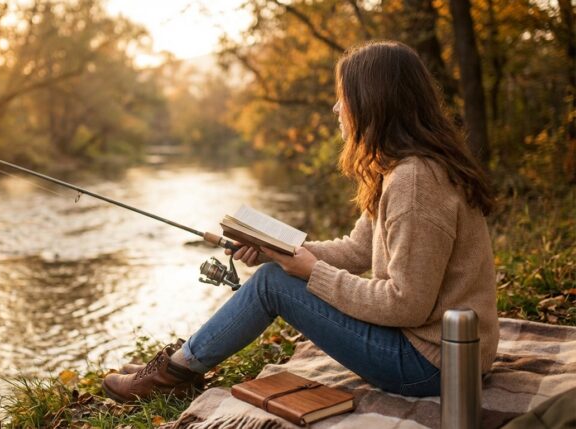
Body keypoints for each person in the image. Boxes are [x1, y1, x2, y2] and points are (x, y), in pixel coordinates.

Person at [101, 40, 500, 402]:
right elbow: (358, 249)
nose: (336, 109)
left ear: (371, 102)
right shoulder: (400, 170)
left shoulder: (414, 181)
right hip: (435, 351)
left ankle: (173, 373)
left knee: (272, 286)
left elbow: (406, 305)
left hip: (433, 366)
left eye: (343, 98)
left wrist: (311, 272)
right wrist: (283, 252)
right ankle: (179, 366)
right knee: (275, 275)